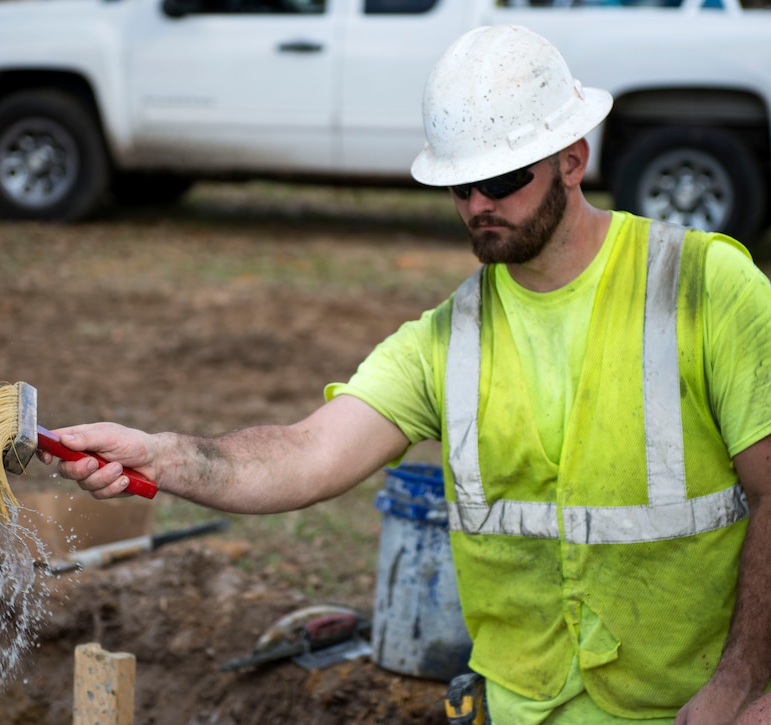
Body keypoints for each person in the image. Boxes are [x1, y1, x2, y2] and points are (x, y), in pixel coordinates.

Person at [40, 25, 771, 724]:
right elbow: (305, 454)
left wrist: (740, 687)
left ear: (572, 159)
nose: (480, 204)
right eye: (460, 187)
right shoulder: (447, 338)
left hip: (681, 710)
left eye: (502, 178)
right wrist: (161, 453)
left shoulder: (705, 284)